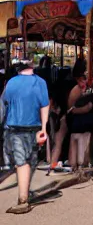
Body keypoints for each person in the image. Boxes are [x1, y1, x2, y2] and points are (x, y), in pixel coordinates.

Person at [2, 62, 49, 214]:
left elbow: (4, 102)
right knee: (31, 160)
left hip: (15, 127)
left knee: (22, 162)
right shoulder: (41, 82)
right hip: (35, 128)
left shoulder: (12, 82)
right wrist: (44, 128)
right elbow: (45, 106)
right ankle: (25, 192)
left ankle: (23, 200)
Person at [67, 76, 93, 176]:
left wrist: (73, 111)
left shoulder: (77, 93)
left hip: (76, 124)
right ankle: (82, 166)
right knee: (83, 144)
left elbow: (71, 108)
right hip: (84, 125)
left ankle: (75, 166)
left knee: (74, 143)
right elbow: (89, 109)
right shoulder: (90, 97)